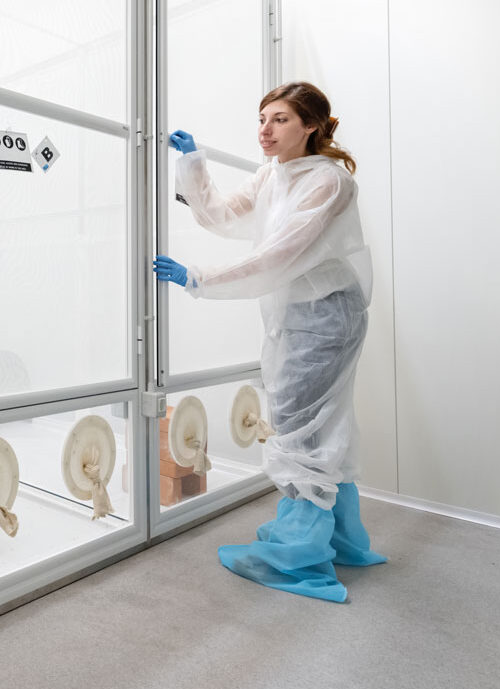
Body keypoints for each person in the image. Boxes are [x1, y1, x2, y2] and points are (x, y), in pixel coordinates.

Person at [154, 81, 386, 602]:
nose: (265, 129)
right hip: (300, 314)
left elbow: (281, 253)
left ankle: (298, 557)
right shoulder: (271, 175)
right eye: (262, 118)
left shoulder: (329, 181)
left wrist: (200, 278)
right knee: (322, 424)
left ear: (311, 125)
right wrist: (193, 164)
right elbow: (219, 214)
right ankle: (342, 538)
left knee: (299, 426)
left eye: (279, 119)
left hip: (327, 315)